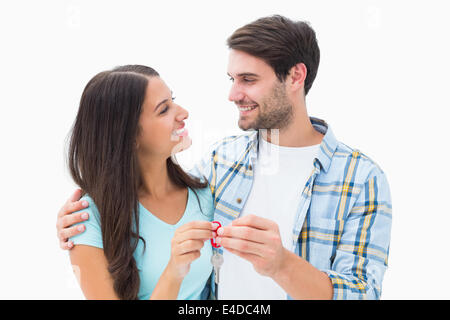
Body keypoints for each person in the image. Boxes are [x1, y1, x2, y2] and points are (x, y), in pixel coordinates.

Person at [57, 15, 392, 300]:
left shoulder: (360, 178)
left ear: (295, 76)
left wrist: (282, 265)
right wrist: (82, 220)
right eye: (232, 79)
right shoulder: (222, 162)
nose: (233, 95)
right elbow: (149, 200)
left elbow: (362, 292)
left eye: (248, 79)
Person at [62, 64, 218, 300]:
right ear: (130, 135)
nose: (183, 113)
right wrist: (173, 272)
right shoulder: (85, 222)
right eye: (164, 109)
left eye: (173, 100)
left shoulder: (206, 193)